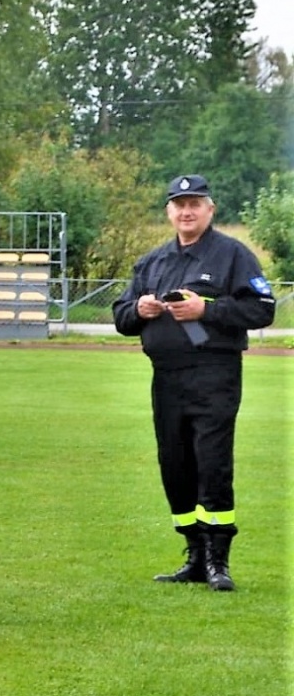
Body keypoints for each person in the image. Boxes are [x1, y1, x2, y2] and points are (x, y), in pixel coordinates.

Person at [112, 174, 276, 593]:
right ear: (169, 211)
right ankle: (195, 556)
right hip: (166, 378)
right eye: (179, 204)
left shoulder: (232, 255)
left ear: (210, 209)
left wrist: (208, 310)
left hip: (214, 375)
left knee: (212, 463)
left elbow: (262, 309)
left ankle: (219, 560)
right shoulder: (153, 262)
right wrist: (139, 309)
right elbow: (121, 317)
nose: (187, 212)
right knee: (175, 465)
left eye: (195, 204)